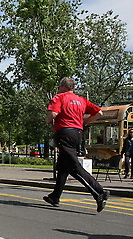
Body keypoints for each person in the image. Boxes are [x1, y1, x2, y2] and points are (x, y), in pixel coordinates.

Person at [44, 77, 109, 212]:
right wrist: (84, 123)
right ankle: (55, 196)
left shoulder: (59, 97)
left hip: (64, 133)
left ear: (62, 86)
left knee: (74, 167)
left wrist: (48, 120)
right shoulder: (81, 100)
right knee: (62, 167)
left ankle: (99, 192)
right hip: (77, 133)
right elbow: (99, 112)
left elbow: (53, 114)